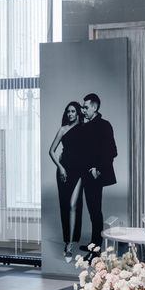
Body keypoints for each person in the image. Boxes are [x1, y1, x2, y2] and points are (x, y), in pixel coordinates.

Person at [79, 93, 117, 257]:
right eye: (83, 107)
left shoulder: (104, 125)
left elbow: (111, 151)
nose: (83, 110)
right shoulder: (86, 126)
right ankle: (94, 244)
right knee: (92, 210)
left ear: (95, 107)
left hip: (95, 175)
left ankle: (96, 248)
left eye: (86, 107)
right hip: (85, 175)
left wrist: (98, 169)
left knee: (95, 210)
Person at [49, 101, 84, 261]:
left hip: (79, 171)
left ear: (78, 113)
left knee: (73, 205)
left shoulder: (84, 128)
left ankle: (70, 243)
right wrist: (61, 167)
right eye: (68, 111)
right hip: (64, 171)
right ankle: (68, 243)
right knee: (66, 206)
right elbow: (51, 151)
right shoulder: (63, 129)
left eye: (73, 111)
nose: (70, 114)